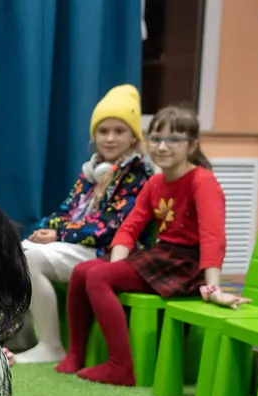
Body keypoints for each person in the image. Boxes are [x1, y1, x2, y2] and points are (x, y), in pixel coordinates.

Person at [55, 104, 249, 386]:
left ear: (192, 145)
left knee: (97, 275)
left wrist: (213, 287)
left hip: (186, 265)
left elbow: (213, 237)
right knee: (84, 271)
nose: (162, 146)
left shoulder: (202, 181)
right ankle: (76, 353)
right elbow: (129, 228)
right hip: (161, 255)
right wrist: (116, 265)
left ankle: (121, 367)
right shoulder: (155, 182)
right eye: (156, 139)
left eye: (173, 140)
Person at [15, 84, 155, 363]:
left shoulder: (137, 175)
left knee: (29, 257)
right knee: (20, 248)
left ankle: (51, 345)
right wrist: (45, 228)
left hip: (111, 253)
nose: (110, 138)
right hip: (78, 246)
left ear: (133, 137)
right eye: (103, 131)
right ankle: (21, 333)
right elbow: (66, 210)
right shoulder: (90, 172)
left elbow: (111, 228)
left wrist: (59, 233)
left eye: (119, 131)